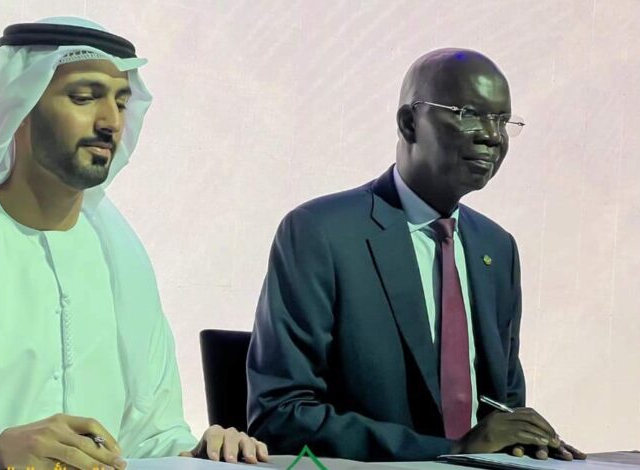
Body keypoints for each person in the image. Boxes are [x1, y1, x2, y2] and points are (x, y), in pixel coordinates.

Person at [0, 17, 267, 470]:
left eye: (121, 102)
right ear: (21, 105)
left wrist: (201, 452)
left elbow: (148, 436)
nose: (111, 122)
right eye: (84, 98)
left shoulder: (121, 258)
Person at [246, 48, 586, 462]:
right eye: (469, 114)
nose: (492, 136)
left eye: (502, 121)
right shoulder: (320, 233)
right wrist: (449, 451)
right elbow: (281, 416)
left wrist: (525, 438)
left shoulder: (497, 248)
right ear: (409, 123)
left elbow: (504, 407)